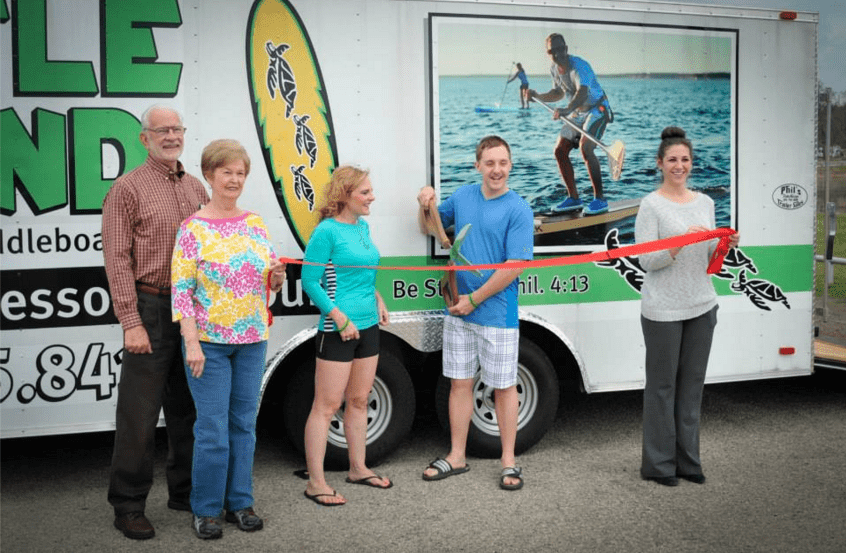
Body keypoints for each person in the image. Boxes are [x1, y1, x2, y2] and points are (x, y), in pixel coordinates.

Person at [102, 105, 208, 540]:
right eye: (161, 130)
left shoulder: (198, 187)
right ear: (144, 139)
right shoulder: (126, 189)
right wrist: (131, 320)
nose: (171, 136)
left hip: (193, 313)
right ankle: (127, 505)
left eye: (176, 128)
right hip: (150, 306)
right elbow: (116, 258)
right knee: (139, 415)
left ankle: (183, 492)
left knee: (188, 411)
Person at [171, 139, 286, 538]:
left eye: (240, 173)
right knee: (212, 428)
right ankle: (205, 509)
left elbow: (268, 277)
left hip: (253, 338)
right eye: (227, 172)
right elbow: (181, 291)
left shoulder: (255, 223)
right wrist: (191, 343)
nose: (234, 180)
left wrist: (276, 276)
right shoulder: (192, 228)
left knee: (244, 424)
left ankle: (240, 501)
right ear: (209, 176)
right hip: (210, 345)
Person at [417, 135, 534, 491]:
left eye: (502, 163)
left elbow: (514, 266)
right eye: (489, 163)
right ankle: (456, 456)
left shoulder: (519, 209)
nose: (496, 170)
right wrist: (425, 203)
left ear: (510, 165)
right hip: (458, 311)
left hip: (496, 314)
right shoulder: (464, 196)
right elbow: (433, 230)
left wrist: (475, 299)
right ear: (477, 165)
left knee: (503, 387)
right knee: (460, 383)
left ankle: (509, 462)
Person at [634, 126, 740, 487]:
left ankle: (689, 462)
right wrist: (679, 243)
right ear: (659, 163)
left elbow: (712, 262)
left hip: (702, 305)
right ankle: (659, 465)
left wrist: (724, 243)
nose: (679, 166)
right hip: (663, 310)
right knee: (662, 388)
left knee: (692, 387)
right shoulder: (650, 205)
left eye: (685, 160)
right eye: (672, 160)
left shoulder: (706, 203)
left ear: (691, 164)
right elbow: (647, 261)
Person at [300, 166, 392, 507]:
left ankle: (358, 468)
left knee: (358, 401)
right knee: (326, 407)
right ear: (345, 195)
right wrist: (339, 318)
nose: (372, 198)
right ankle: (316, 482)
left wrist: (378, 298)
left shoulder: (363, 227)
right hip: (337, 329)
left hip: (368, 326)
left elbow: (363, 274)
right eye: (365, 192)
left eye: (371, 191)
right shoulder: (326, 232)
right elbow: (310, 283)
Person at [526, 33, 613, 215]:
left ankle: (600, 200)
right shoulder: (554, 69)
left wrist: (566, 109)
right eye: (552, 51)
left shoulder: (580, 66)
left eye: (559, 49)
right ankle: (574, 198)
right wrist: (538, 96)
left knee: (586, 148)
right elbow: (558, 92)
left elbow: (582, 91)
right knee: (560, 150)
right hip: (578, 112)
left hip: (597, 109)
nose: (557, 54)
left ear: (565, 49)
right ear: (548, 53)